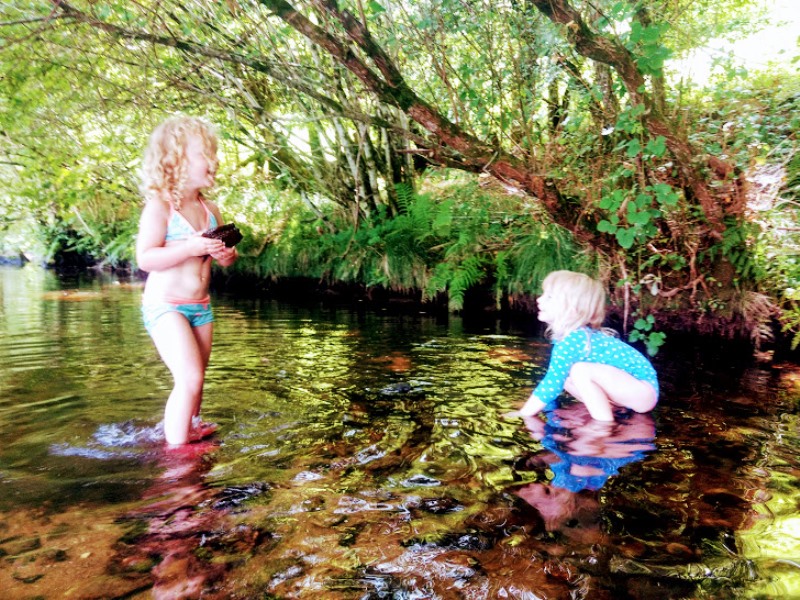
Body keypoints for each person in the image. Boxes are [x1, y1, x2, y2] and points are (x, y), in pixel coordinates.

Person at [136, 116, 237, 445]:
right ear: (175, 160)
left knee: (198, 379)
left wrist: (225, 256)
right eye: (204, 154)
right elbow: (145, 258)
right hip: (165, 306)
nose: (214, 160)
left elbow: (225, 256)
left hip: (200, 307)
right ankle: (177, 461)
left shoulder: (211, 209)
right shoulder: (161, 207)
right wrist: (189, 246)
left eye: (214, 153)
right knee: (189, 376)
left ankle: (189, 427)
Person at [510, 270, 658, 421]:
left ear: (572, 308)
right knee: (565, 377)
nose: (539, 300)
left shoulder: (574, 340)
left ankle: (603, 426)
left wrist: (524, 414)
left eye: (549, 297)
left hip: (643, 391)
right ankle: (611, 409)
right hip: (633, 391)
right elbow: (554, 383)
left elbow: (551, 385)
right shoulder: (575, 338)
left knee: (579, 371)